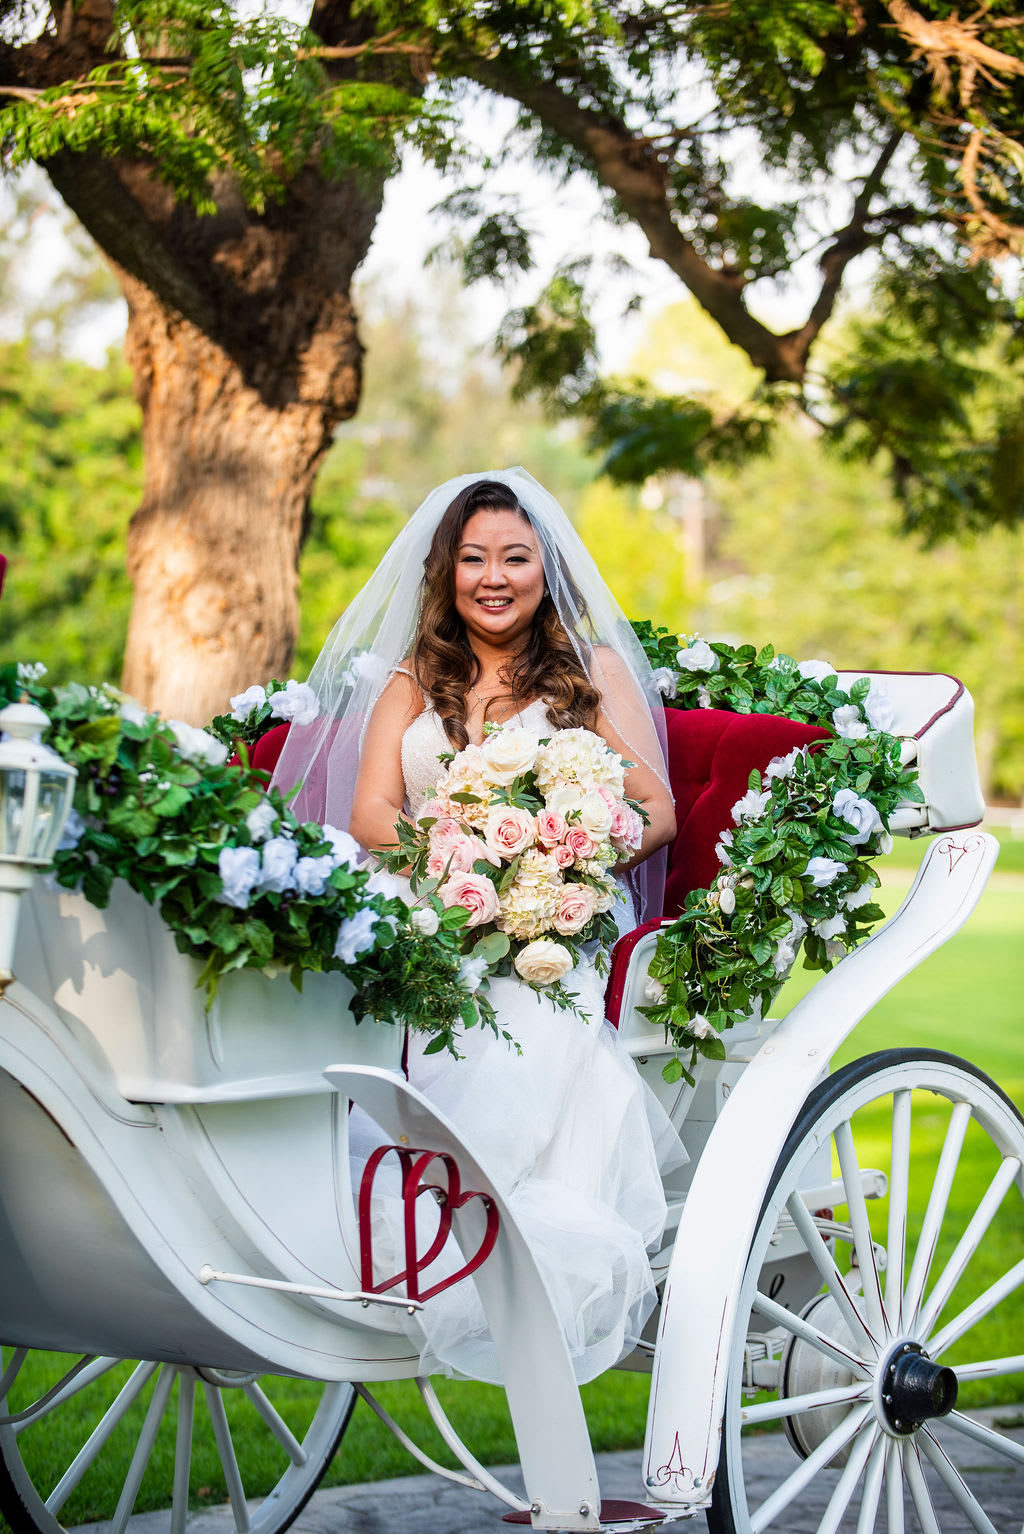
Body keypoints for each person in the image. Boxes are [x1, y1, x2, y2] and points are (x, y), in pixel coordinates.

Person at [272, 468, 684, 1384]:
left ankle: (480, 1245)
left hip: (547, 933)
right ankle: (358, 1222)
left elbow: (656, 812)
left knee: (524, 1012)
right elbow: (372, 811)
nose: (493, 576)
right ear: (446, 571)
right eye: (473, 558)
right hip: (429, 912)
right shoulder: (415, 682)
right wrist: (458, 852)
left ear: (547, 571)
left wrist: (563, 850)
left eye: (515, 557)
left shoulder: (590, 676)